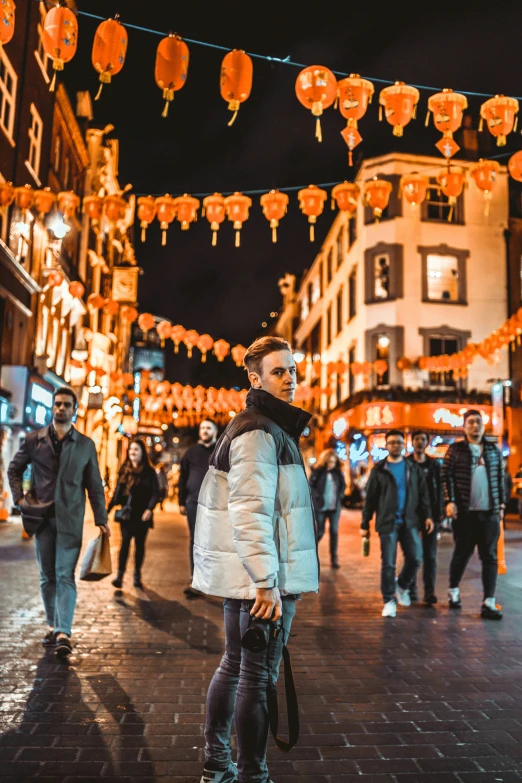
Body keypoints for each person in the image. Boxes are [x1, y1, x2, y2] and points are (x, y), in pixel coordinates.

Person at [192, 336, 318, 783]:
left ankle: (217, 765)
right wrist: (266, 581)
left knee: (235, 665)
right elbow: (249, 511)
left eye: (293, 371)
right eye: (279, 371)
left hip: (252, 578)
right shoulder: (260, 430)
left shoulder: (265, 426)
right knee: (254, 676)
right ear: (255, 378)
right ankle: (251, 774)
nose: (290, 380)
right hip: (262, 582)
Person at [8, 387, 110, 657]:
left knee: (65, 575)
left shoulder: (86, 445)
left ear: (75, 409)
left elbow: (94, 486)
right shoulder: (34, 440)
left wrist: (101, 519)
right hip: (41, 519)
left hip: (70, 519)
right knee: (47, 577)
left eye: (66, 404)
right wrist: (19, 499)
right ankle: (53, 624)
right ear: (53, 407)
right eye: (58, 404)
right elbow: (14, 469)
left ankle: (64, 631)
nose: (61, 408)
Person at [361, 429, 434, 618]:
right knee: (388, 564)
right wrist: (365, 524)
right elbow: (370, 499)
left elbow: (423, 494)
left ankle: (401, 585)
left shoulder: (413, 468)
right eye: (392, 442)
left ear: (404, 445)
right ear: (386, 445)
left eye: (399, 442)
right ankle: (388, 601)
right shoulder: (379, 470)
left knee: (416, 557)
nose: (396, 445)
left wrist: (427, 516)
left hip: (409, 521)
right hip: (388, 522)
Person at [442, 409, 505, 620]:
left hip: (489, 514)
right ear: (464, 426)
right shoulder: (456, 450)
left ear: (483, 425)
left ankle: (488, 601)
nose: (475, 426)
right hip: (465, 514)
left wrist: (501, 504)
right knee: (462, 553)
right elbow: (446, 477)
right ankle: (453, 591)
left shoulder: (493, 450)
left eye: (478, 422)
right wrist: (449, 501)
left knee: (490, 556)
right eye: (470, 422)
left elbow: (500, 478)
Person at [108, 439, 160, 590]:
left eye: (136, 450)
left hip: (142, 515)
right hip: (127, 515)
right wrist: (107, 509)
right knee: (124, 545)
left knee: (139, 546)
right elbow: (118, 492)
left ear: (142, 452)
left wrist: (149, 509)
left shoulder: (149, 471)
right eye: (131, 450)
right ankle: (120, 575)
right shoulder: (125, 469)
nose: (133, 452)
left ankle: (137, 575)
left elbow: (155, 493)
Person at [178, 419, 218, 597]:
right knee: (196, 540)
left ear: (215, 432)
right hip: (193, 502)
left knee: (213, 540)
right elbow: (182, 476)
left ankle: (213, 578)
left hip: (215, 504)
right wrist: (181, 501)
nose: (205, 430)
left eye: (208, 428)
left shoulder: (221, 451)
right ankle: (195, 578)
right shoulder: (190, 453)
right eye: (202, 428)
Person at [407, 430, 443, 605]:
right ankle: (411, 589)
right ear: (412, 442)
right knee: (412, 554)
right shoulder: (406, 463)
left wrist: (439, 515)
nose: (420, 442)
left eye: (423, 439)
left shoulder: (434, 465)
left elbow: (439, 491)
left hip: (431, 516)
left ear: (427, 443)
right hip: (411, 515)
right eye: (417, 439)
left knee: (430, 555)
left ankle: (429, 592)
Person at [309, 449, 346, 569]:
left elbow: (343, 485)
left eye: (333, 462)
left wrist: (340, 495)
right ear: (325, 461)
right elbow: (311, 486)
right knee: (320, 531)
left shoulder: (337, 473)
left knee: (334, 531)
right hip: (321, 506)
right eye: (329, 461)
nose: (331, 464)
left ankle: (334, 558)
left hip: (334, 507)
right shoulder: (318, 472)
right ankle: (310, 555)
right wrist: (317, 497)